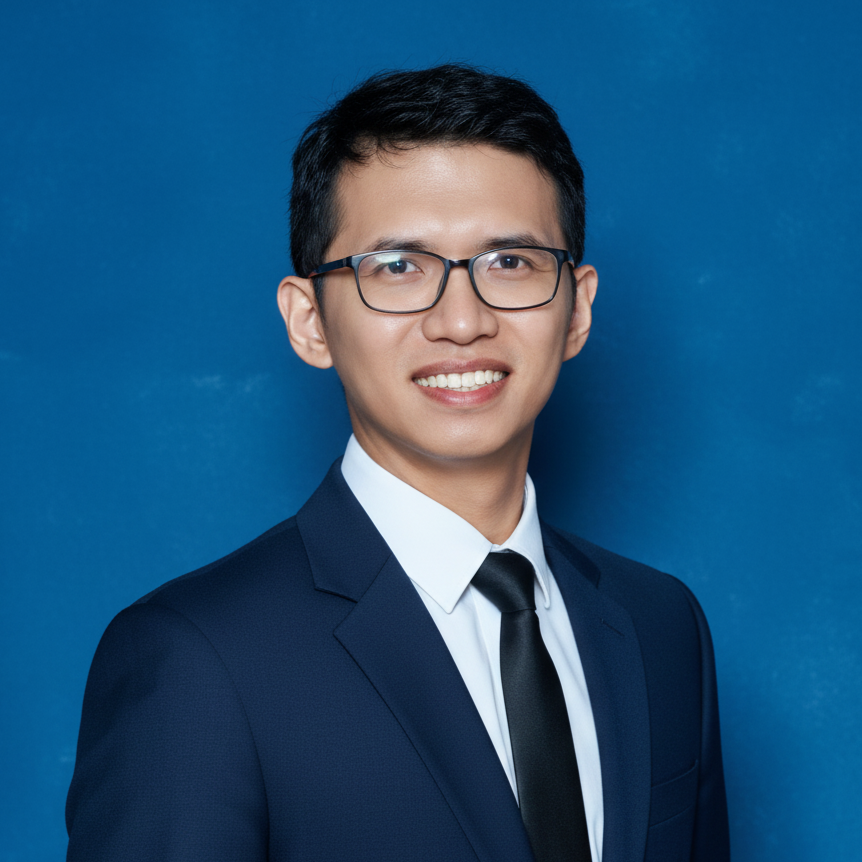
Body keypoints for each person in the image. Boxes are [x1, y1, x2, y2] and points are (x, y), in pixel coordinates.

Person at [66, 64, 730, 862]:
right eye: (398, 268)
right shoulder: (198, 660)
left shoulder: (661, 625)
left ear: (577, 308)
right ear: (309, 320)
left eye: (511, 263)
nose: (462, 320)